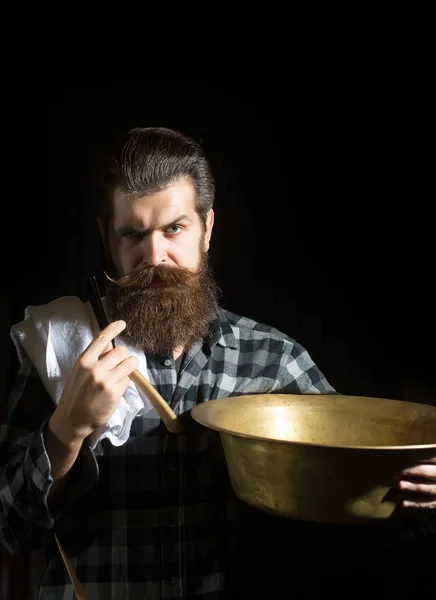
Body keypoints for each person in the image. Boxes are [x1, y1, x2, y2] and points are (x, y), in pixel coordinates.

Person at [1, 127, 435, 599]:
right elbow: (10, 531)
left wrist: (422, 497)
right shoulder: (60, 350)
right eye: (133, 233)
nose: (155, 255)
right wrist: (66, 429)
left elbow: (365, 506)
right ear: (107, 237)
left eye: (175, 228)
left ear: (208, 229)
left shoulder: (273, 361)